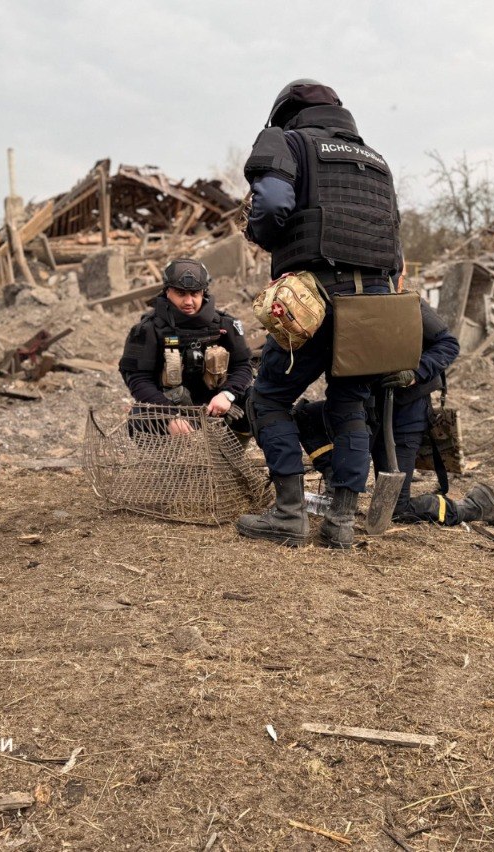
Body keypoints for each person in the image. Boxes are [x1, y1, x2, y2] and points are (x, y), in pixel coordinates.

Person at [235, 78, 403, 549]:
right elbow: (394, 239)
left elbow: (272, 203)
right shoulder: (376, 161)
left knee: (268, 400)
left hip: (315, 294)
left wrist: (262, 234)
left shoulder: (287, 140)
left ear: (285, 114)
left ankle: (289, 515)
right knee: (350, 403)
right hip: (376, 301)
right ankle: (341, 523)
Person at [295, 301, 494, 527]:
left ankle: (474, 507)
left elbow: (448, 344)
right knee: (304, 416)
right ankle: (336, 484)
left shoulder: (406, 301)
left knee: (398, 508)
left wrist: (415, 373)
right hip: (360, 409)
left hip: (406, 415)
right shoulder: (342, 300)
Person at [118, 258, 252, 439]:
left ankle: (228, 452)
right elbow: (137, 378)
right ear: (167, 291)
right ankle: (169, 456)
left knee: (255, 400)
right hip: (168, 405)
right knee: (140, 418)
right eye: (181, 293)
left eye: (195, 294)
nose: (188, 301)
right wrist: (168, 415)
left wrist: (227, 395)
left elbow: (243, 366)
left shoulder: (225, 325)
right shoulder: (147, 330)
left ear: (203, 292)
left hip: (216, 405)